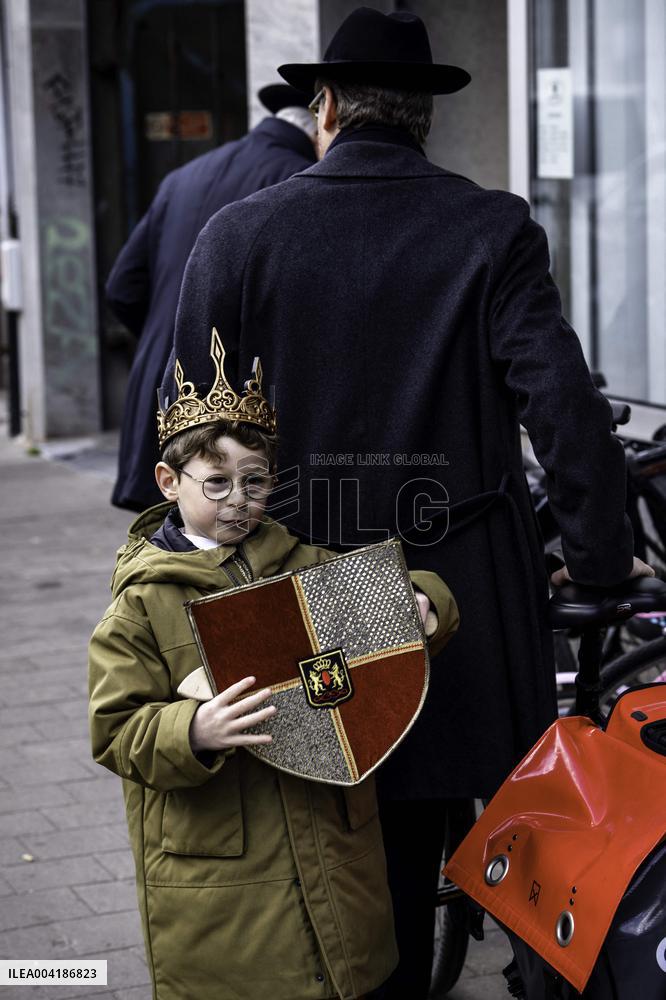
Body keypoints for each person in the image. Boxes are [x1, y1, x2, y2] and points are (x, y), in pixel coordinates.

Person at [167, 8, 653, 995]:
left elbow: (184, 450)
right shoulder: (490, 229)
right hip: (455, 588)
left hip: (296, 591)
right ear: (422, 117)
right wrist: (601, 562)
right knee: (492, 818)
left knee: (337, 840)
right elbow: (562, 409)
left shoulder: (236, 237)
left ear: (328, 108)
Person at [88, 331, 459, 1000]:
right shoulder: (142, 607)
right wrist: (192, 731)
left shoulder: (302, 563)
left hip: (331, 846)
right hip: (225, 873)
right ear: (170, 482)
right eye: (218, 482)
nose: (239, 500)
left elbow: (384, 604)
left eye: (255, 482)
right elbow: (116, 731)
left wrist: (425, 600)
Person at [106, 84, 317, 513]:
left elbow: (122, 287)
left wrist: (165, 343)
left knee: (172, 550)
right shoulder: (297, 178)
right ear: (319, 125)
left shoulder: (185, 174)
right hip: (233, 414)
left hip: (160, 388)